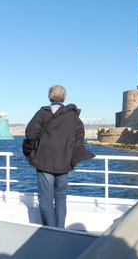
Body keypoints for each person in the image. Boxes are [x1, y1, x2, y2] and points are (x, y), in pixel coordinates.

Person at [25, 85, 94, 228]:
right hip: (64, 162)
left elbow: (30, 134)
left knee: (46, 200)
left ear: (49, 97)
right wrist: (71, 149)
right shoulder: (72, 115)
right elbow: (80, 134)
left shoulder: (42, 113)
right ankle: (60, 229)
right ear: (64, 98)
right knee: (61, 198)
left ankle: (50, 230)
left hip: (44, 161)